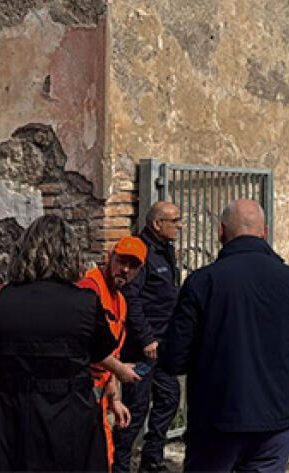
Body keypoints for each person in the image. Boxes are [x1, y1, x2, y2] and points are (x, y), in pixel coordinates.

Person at [0, 214, 140, 472]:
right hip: (70, 424)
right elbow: (103, 351)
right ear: (70, 255)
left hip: (6, 422)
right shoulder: (85, 302)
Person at [160, 200, 289, 473]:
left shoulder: (203, 282)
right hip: (273, 421)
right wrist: (274, 363)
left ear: (220, 232)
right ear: (265, 232)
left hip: (216, 420)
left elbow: (173, 358)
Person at [115, 202, 183, 473]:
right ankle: (119, 465)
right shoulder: (141, 252)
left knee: (169, 397)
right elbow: (131, 298)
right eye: (174, 220)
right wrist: (146, 339)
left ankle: (151, 459)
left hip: (162, 346)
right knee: (136, 408)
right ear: (158, 224)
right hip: (142, 348)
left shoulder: (165, 251)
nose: (179, 225)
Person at [79, 236, 148, 469]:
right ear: (110, 258)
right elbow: (86, 345)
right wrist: (119, 371)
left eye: (132, 266)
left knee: (104, 457)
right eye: (121, 262)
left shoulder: (121, 300)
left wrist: (115, 399)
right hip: (81, 392)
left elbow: (113, 351)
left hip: (98, 394)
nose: (125, 269)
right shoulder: (90, 288)